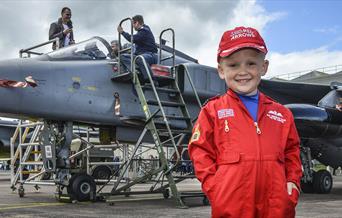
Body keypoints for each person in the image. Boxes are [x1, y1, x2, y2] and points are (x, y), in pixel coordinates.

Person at [188, 26, 302, 218]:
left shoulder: (282, 114)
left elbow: (292, 151)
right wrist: (216, 189)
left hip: (277, 205)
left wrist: (292, 184)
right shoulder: (211, 111)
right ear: (221, 71)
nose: (243, 72)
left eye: (251, 63)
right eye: (233, 65)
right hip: (231, 205)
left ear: (263, 67)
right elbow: (200, 150)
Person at [117, 15, 158, 82]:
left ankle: (151, 80)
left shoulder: (144, 31)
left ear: (137, 23)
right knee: (122, 56)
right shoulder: (142, 31)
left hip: (150, 55)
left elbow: (132, 39)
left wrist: (122, 32)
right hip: (143, 54)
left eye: (133, 23)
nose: (132, 26)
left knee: (139, 58)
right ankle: (134, 71)